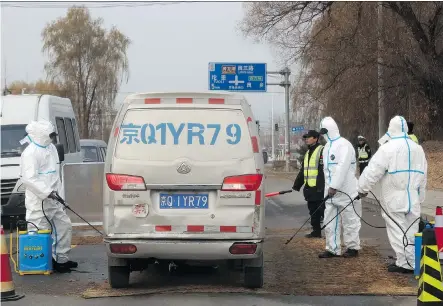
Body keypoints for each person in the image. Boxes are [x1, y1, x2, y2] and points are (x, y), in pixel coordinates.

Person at [357, 115, 427, 273]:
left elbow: (373, 171)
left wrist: (362, 189)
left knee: (397, 230)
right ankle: (411, 261)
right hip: (413, 196)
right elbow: (424, 175)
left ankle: (405, 262)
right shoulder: (418, 148)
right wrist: (421, 196)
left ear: (391, 129)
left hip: (394, 196)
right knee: (411, 230)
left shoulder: (388, 148)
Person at [19, 120, 77, 273]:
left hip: (54, 200)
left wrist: (60, 197)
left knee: (64, 226)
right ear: (41, 135)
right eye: (50, 135)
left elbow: (56, 176)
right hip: (39, 203)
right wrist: (47, 192)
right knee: (40, 232)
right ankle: (44, 261)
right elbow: (29, 179)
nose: (52, 138)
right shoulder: (30, 153)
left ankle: (61, 260)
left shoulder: (51, 149)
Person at [318, 117, 362, 258]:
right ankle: (332, 248)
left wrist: (334, 186)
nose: (323, 136)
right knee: (330, 221)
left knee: (350, 220)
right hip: (331, 193)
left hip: (346, 191)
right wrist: (328, 188)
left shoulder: (344, 145)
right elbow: (327, 171)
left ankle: (352, 247)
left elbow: (342, 167)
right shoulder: (326, 148)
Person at [292, 130, 325, 238]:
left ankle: (330, 233)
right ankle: (316, 231)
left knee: (322, 211)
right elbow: (303, 171)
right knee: (313, 211)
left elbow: (322, 170)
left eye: (309, 137)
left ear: (315, 138)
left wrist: (321, 186)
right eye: (306, 137)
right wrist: (297, 185)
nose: (306, 139)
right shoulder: (308, 153)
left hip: (319, 187)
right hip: (309, 188)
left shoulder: (322, 150)